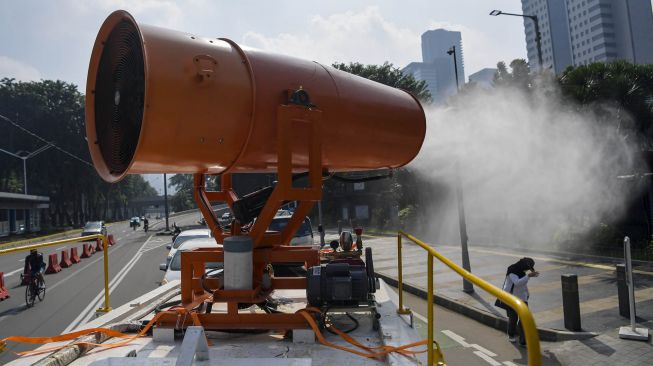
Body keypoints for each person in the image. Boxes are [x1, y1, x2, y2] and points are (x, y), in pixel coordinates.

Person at [502, 257, 539, 346]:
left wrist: (527, 293)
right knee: (513, 318)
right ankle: (511, 335)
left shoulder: (522, 272)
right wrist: (529, 276)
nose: (527, 270)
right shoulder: (512, 270)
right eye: (527, 268)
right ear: (523, 266)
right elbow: (517, 282)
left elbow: (523, 284)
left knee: (524, 320)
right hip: (512, 299)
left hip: (522, 298)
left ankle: (523, 340)